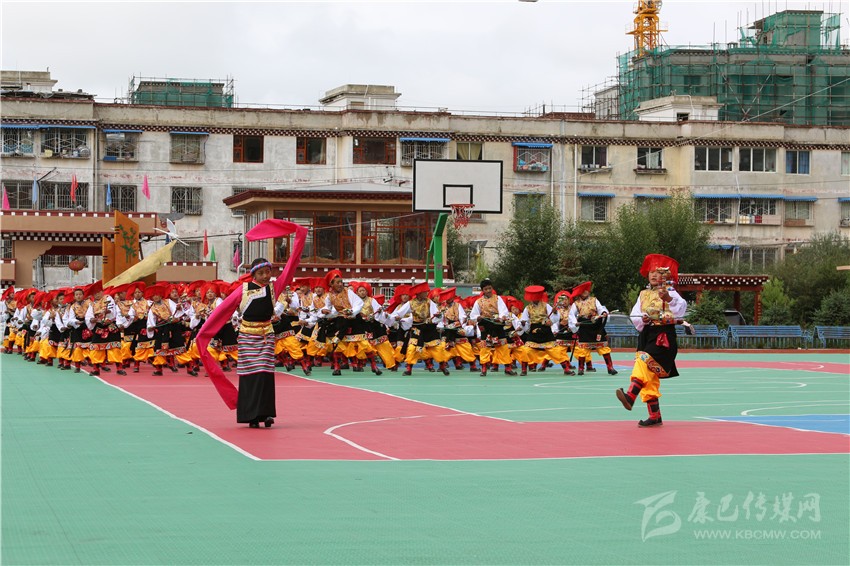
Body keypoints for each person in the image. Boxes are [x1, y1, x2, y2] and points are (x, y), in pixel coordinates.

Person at [615, 254, 687, 427]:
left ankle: (630, 396)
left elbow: (681, 309)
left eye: (658, 272)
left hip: (663, 337)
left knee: (643, 362)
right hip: (647, 335)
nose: (654, 275)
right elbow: (635, 315)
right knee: (648, 375)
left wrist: (668, 299)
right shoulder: (643, 294)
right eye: (651, 272)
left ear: (666, 275)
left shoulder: (670, 292)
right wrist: (643, 318)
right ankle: (655, 416)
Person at [235, 258, 280, 428]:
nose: (265, 276)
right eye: (261, 273)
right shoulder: (243, 289)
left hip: (266, 335)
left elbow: (289, 271)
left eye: (268, 272)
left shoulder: (273, 289)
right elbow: (224, 309)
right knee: (250, 375)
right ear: (253, 274)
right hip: (247, 336)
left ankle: (266, 413)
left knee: (265, 374)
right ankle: (251, 416)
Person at [568, 281, 618, 376]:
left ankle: (610, 367)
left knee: (604, 347)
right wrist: (575, 323)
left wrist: (603, 313)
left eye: (586, 290)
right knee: (583, 349)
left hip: (596, 326)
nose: (585, 292)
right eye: (583, 291)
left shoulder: (594, 300)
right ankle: (581, 369)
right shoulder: (576, 303)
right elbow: (571, 315)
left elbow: (600, 308)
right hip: (584, 327)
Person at [469, 279, 515, 376]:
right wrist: (478, 317)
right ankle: (484, 368)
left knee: (503, 347)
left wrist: (501, 317)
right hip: (486, 326)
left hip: (497, 325)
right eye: (486, 289)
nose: (488, 290)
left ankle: (508, 368)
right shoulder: (478, 302)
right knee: (485, 347)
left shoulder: (498, 298)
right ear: (483, 290)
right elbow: (473, 315)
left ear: (492, 288)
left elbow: (504, 311)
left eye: (490, 288)